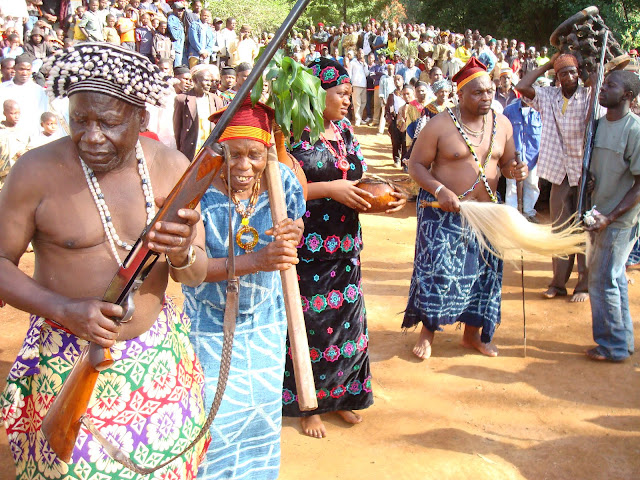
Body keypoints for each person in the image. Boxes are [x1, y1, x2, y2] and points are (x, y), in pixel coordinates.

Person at [0, 42, 209, 479]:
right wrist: (66, 311)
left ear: (141, 119)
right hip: (64, 359)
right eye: (80, 120)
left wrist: (183, 251)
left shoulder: (172, 167)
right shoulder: (35, 172)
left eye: (109, 123)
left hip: (159, 361)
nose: (92, 136)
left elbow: (196, 274)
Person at [282, 57, 406, 439]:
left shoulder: (346, 131)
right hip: (307, 247)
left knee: (348, 327)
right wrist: (328, 190)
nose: (348, 100)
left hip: (346, 244)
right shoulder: (291, 135)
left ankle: (344, 398)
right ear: (317, 94)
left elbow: (354, 176)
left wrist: (385, 194)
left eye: (349, 94)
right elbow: (284, 186)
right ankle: (308, 405)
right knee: (310, 326)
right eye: (341, 93)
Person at [182, 97, 305, 479]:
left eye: (254, 155)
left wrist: (292, 234)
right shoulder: (195, 186)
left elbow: (296, 228)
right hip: (208, 324)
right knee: (212, 417)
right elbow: (189, 270)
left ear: (267, 151)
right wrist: (258, 260)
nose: (243, 166)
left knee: (260, 416)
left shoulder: (280, 179)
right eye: (233, 155)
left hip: (267, 319)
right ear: (218, 150)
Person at [403, 57, 527, 359]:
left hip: (486, 216)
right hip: (443, 212)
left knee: (484, 277)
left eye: (490, 91)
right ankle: (428, 332)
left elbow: (507, 164)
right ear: (460, 95)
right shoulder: (439, 124)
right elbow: (415, 165)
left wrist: (515, 170)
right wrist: (440, 189)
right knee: (439, 273)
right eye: (478, 93)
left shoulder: (503, 125)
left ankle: (473, 336)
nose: (487, 97)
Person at [516, 53, 591, 302]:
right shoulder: (549, 96)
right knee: (560, 229)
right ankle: (558, 284)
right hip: (560, 173)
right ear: (556, 78)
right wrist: (548, 64)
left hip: (584, 173)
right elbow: (522, 87)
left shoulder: (590, 95)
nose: (569, 77)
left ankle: (584, 284)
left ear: (578, 73)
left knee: (585, 228)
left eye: (572, 72)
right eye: (562, 73)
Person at [584, 70, 640, 362]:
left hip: (620, 219)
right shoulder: (598, 125)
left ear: (628, 96)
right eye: (603, 84)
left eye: (611, 86)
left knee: (602, 280)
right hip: (599, 212)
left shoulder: (635, 130)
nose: (603, 89)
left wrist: (612, 215)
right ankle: (623, 341)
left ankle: (613, 347)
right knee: (614, 279)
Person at [503, 96, 542, 221]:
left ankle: (528, 213)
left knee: (532, 185)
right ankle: (512, 216)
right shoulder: (509, 111)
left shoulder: (540, 111)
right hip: (513, 158)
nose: (527, 97)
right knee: (512, 187)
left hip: (533, 157)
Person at [173, 66, 224, 160]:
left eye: (210, 80)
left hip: (209, 150)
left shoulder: (216, 100)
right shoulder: (182, 100)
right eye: (205, 80)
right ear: (195, 81)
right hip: (190, 149)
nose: (209, 84)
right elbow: (177, 129)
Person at [0, 54, 49, 138]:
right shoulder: (3, 88)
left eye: (28, 70)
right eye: (21, 69)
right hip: (7, 137)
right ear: (14, 68)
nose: (25, 73)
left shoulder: (38, 91)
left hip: (32, 138)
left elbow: (43, 115)